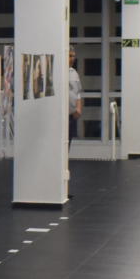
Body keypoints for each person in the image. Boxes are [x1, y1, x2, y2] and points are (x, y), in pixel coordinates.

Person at [62, 48, 82, 191]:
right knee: (60, 150)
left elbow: (78, 93)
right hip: (61, 117)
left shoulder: (74, 73)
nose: (72, 58)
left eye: (73, 56)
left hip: (72, 116)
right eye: (70, 55)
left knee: (67, 148)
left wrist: (78, 109)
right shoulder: (58, 72)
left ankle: (64, 187)